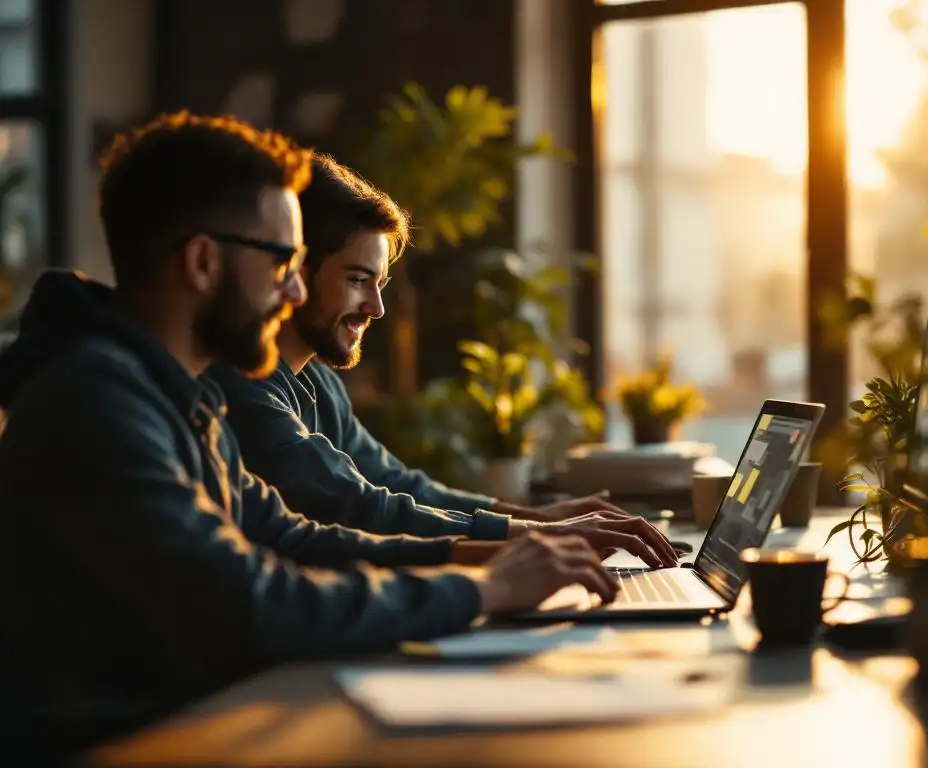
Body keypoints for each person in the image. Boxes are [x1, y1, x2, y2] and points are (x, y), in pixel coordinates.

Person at [0, 112, 618, 755]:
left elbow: (292, 538)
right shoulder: (95, 406)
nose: (294, 288)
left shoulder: (177, 394)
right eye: (282, 261)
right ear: (203, 262)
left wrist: (502, 560)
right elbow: (251, 603)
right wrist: (486, 587)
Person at [206, 153, 676, 567]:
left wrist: (539, 517)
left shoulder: (319, 380)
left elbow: (396, 482)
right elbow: (360, 505)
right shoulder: (242, 387)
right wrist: (539, 534)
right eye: (356, 279)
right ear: (295, 270)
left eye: (380, 285)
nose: (376, 308)